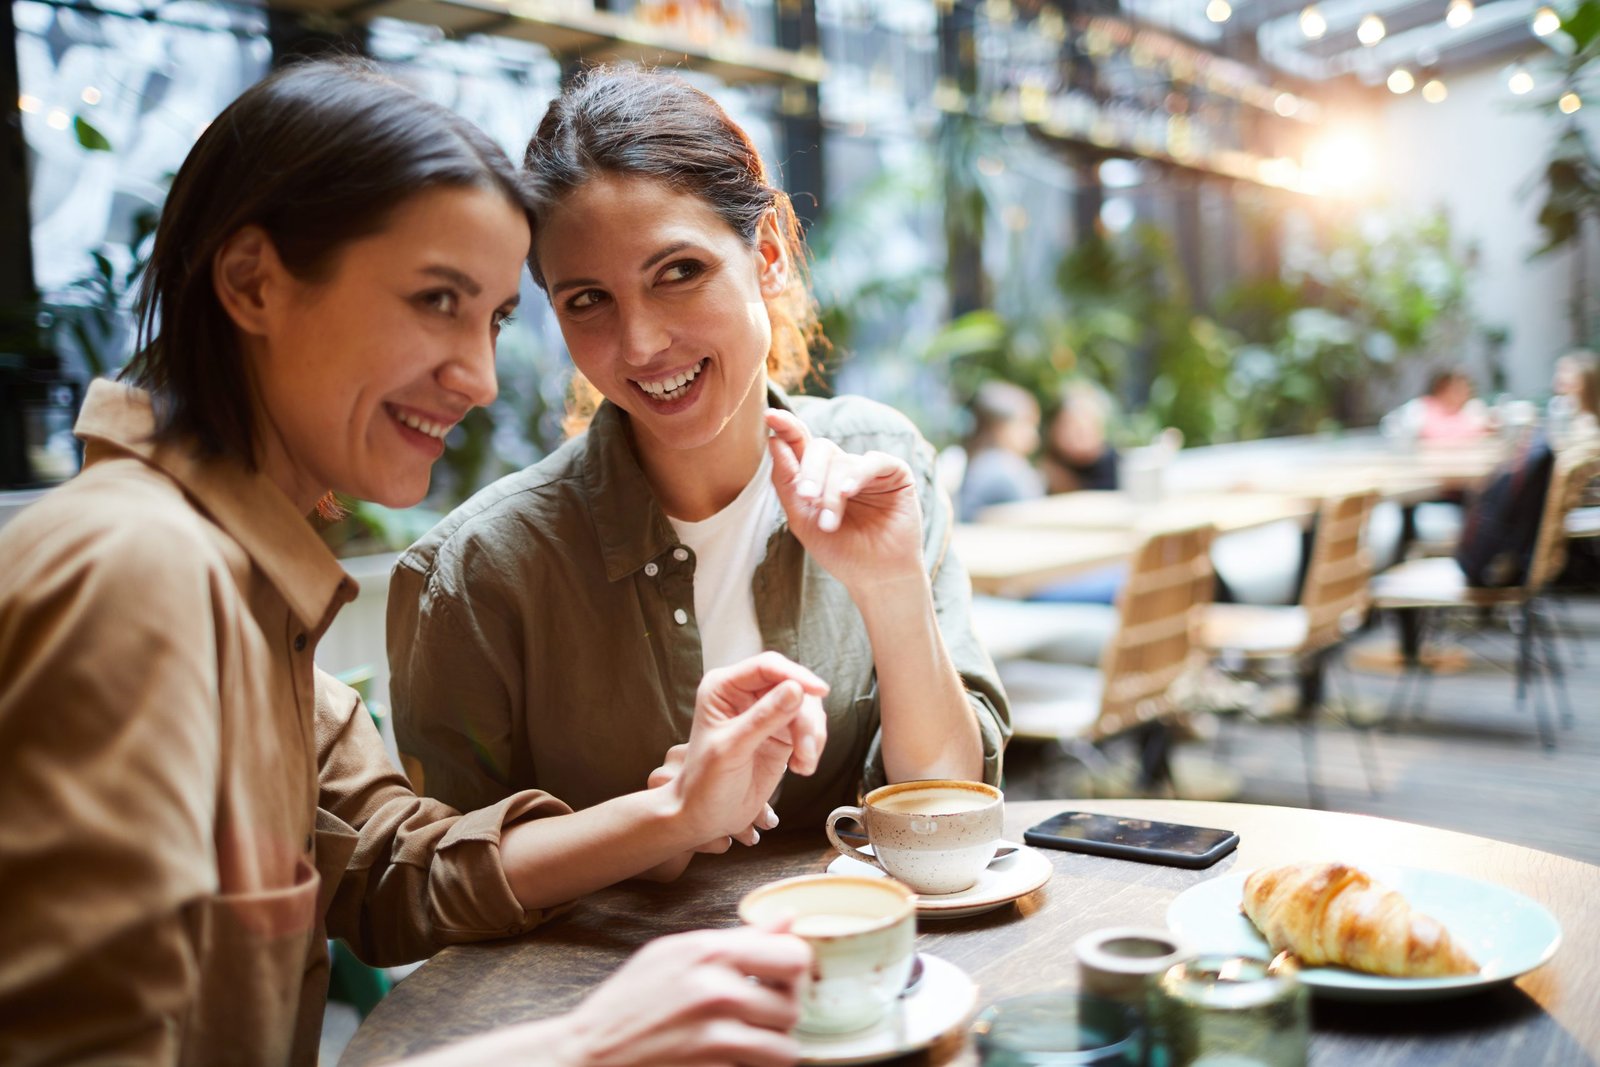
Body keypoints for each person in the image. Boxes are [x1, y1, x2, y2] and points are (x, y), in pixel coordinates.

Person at [0, 60, 827, 1067]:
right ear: (253, 281)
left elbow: (396, 865)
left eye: (489, 320)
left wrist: (676, 809)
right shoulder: (137, 568)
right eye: (435, 299)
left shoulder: (238, 576)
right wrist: (588, 1039)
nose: (477, 378)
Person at [389, 66, 1009, 854]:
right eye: (587, 301)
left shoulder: (881, 463)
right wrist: (654, 829)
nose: (641, 342)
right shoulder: (482, 570)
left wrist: (890, 590)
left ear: (770, 254)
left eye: (679, 272)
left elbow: (946, 815)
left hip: (869, 955)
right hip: (608, 980)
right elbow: (442, 885)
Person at [956, 379, 1044, 521]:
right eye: (1027, 424)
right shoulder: (1005, 469)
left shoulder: (981, 462)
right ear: (999, 427)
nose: (1034, 435)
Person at [1041, 380, 1119, 494]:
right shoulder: (1049, 463)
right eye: (1068, 427)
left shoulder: (1116, 466)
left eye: (1082, 429)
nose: (1074, 437)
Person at [1551, 349, 1600, 447]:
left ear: (1583, 380)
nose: (1558, 376)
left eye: (1565, 370)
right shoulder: (1562, 410)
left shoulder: (1588, 425)